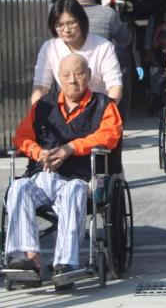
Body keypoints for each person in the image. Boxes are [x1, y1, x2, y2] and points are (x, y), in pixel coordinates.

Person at [6, 54, 122, 288]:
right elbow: (21, 137)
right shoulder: (43, 105)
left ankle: (65, 264)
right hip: (42, 176)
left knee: (73, 191)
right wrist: (38, 152)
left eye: (78, 73)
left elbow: (111, 135)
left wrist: (71, 148)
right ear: (59, 78)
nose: (72, 80)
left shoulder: (103, 104)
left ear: (88, 75)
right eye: (66, 75)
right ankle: (27, 258)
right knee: (17, 187)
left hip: (78, 179)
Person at [31, 0, 123, 105]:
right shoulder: (49, 48)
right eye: (59, 25)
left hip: (97, 109)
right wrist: (36, 114)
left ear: (82, 21)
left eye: (71, 23)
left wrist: (106, 113)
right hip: (65, 113)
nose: (66, 30)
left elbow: (114, 86)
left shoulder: (104, 47)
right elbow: (41, 87)